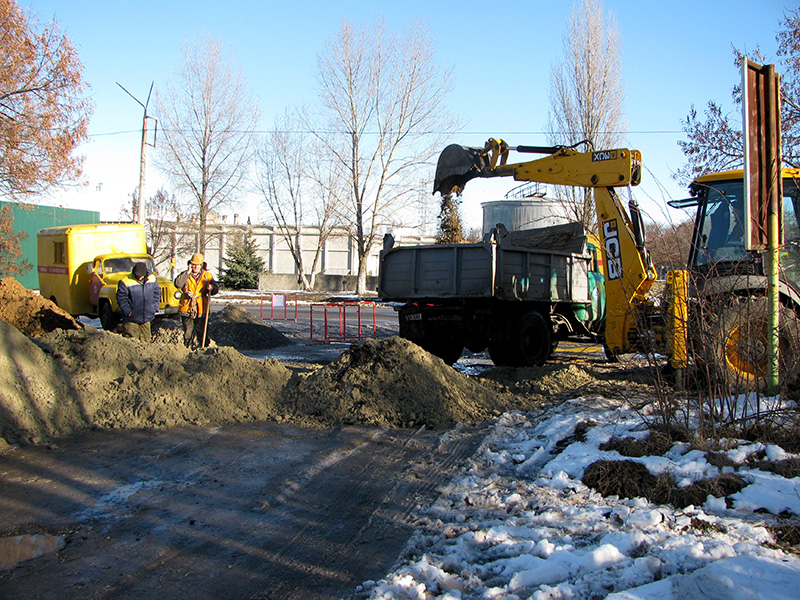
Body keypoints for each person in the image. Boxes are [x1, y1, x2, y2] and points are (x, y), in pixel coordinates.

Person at [174, 253, 219, 348]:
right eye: (193, 264)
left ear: (201, 265)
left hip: (202, 307)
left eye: (197, 265)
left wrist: (212, 288)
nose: (195, 267)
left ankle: (204, 348)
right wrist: (187, 272)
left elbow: (215, 289)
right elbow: (178, 284)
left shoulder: (207, 276)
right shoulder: (185, 275)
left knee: (202, 331)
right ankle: (187, 348)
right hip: (187, 307)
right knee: (188, 332)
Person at [116, 261, 161, 342]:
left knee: (146, 342)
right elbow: (121, 298)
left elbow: (156, 293)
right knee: (132, 343)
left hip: (146, 318)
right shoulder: (125, 281)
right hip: (131, 319)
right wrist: (128, 311)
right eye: (137, 275)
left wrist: (154, 307)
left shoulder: (152, 279)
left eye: (141, 275)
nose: (139, 277)